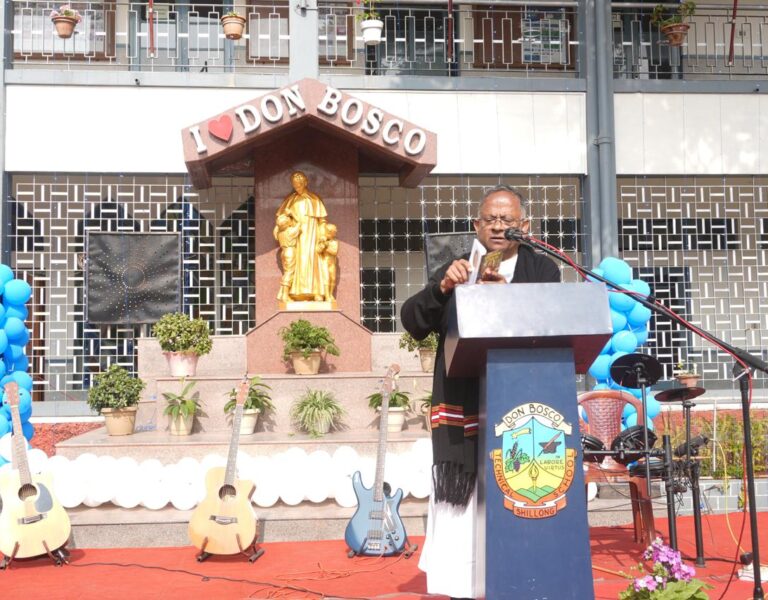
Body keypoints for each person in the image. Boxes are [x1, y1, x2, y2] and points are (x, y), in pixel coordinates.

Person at [400, 185, 561, 599]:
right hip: (464, 399)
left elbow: (552, 323)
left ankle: (523, 576)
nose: (498, 227)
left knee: (523, 486)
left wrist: (503, 298)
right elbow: (413, 320)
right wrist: (442, 291)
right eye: (490, 219)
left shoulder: (541, 270)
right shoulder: (458, 267)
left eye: (507, 220)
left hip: (524, 403)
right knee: (463, 498)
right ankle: (460, 585)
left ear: (525, 226)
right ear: (476, 225)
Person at [274, 171, 328, 302]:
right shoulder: (290, 200)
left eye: (299, 184)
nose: (297, 187)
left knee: (312, 260)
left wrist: (322, 235)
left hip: (311, 234)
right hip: (294, 236)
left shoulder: (314, 199)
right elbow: (281, 218)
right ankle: (295, 292)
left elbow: (322, 221)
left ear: (305, 183)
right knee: (296, 263)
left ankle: (317, 292)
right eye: (294, 185)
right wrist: (278, 229)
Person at [275, 213, 300, 303]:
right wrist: (293, 215)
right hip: (290, 251)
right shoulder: (290, 231)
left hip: (283, 252)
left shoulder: (279, 232)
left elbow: (276, 231)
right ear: (287, 223)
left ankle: (282, 293)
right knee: (289, 273)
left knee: (286, 272)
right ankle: (285, 295)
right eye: (288, 220)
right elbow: (300, 223)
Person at [317, 222, 339, 302]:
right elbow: (318, 250)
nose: (335, 233)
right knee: (326, 278)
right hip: (325, 262)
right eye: (334, 232)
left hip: (332, 263)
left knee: (332, 279)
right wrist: (322, 245)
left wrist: (327, 247)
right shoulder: (323, 241)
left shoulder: (334, 242)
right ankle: (326, 296)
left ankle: (330, 294)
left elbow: (334, 252)